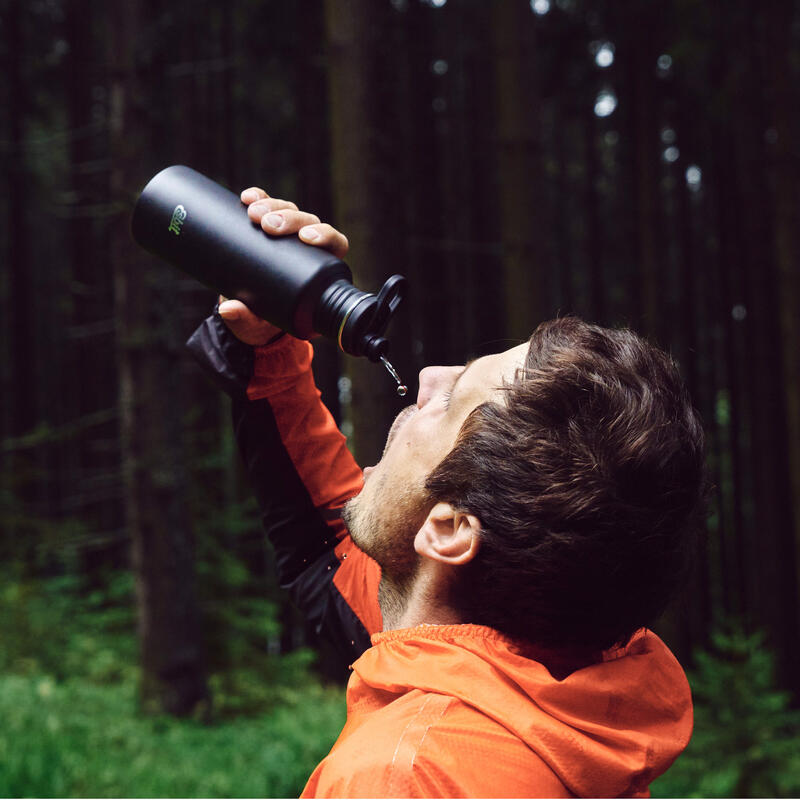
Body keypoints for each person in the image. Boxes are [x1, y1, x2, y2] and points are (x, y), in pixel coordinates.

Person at [187, 187, 706, 798]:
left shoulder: (404, 776)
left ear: (452, 530)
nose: (429, 375)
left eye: (452, 400)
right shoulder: (569, 683)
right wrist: (268, 348)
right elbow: (328, 551)